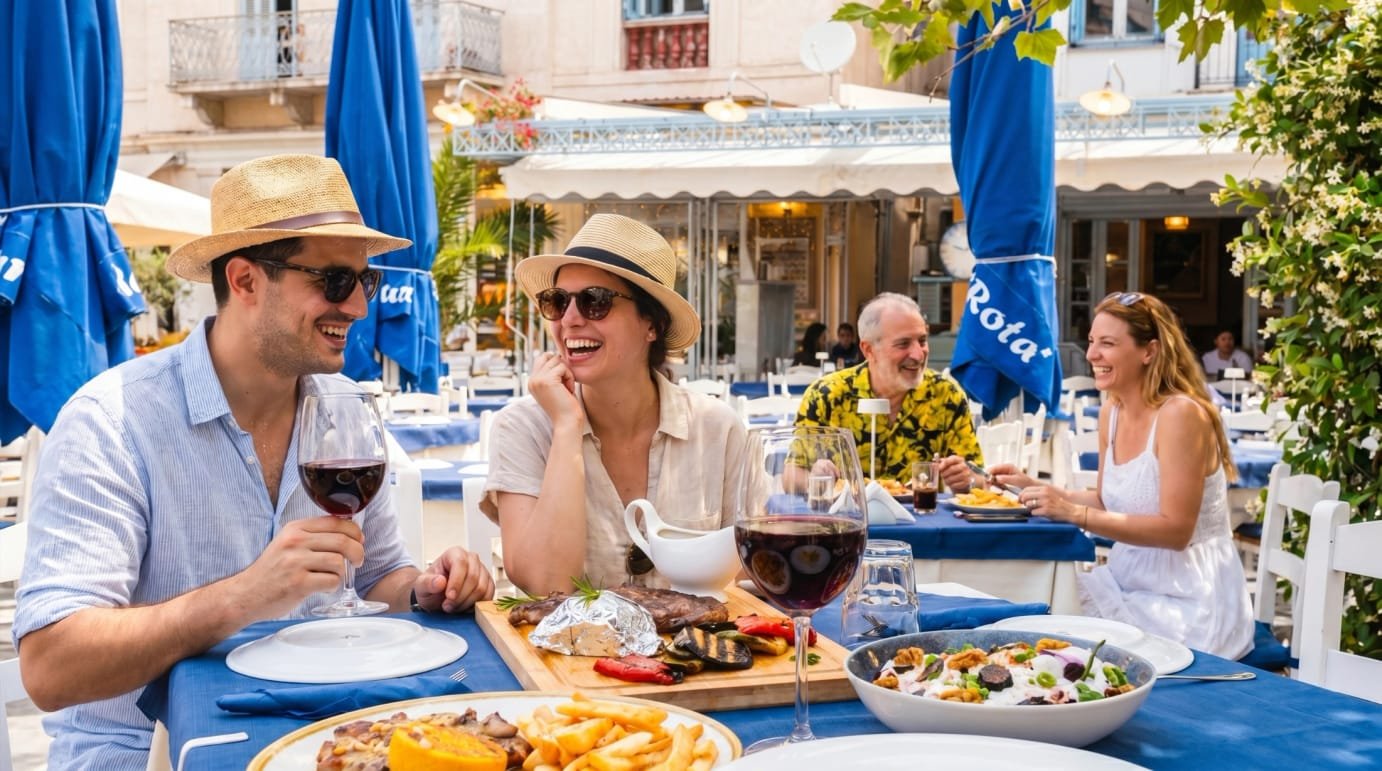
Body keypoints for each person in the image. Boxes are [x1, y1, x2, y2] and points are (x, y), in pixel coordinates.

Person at [12, 155, 495, 770]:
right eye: (334, 282)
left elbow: (376, 581)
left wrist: (428, 589)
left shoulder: (343, 408)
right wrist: (243, 597)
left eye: (363, 283)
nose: (357, 309)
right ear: (244, 281)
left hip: (326, 736)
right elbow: (52, 667)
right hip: (141, 752)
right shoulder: (112, 422)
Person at [483, 214, 747, 595]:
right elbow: (547, 586)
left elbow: (752, 574)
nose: (569, 320)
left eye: (595, 301)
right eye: (557, 302)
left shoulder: (718, 430)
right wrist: (566, 427)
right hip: (568, 653)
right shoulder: (523, 427)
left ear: (651, 325)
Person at [993, 291, 1253, 659]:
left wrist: (1073, 513)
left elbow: (1176, 531)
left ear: (1149, 351)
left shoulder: (1181, 414)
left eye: (1108, 344)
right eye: (1092, 342)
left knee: (1053, 641)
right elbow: (1105, 501)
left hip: (1190, 598)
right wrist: (1036, 488)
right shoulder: (1111, 412)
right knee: (1033, 618)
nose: (1092, 355)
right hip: (1129, 579)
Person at [794, 292, 981, 490]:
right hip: (849, 518)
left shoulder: (946, 395)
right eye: (903, 344)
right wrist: (813, 478)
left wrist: (966, 479)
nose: (918, 354)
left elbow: (978, 477)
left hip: (923, 518)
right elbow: (791, 474)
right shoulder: (826, 395)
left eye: (922, 341)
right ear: (868, 350)